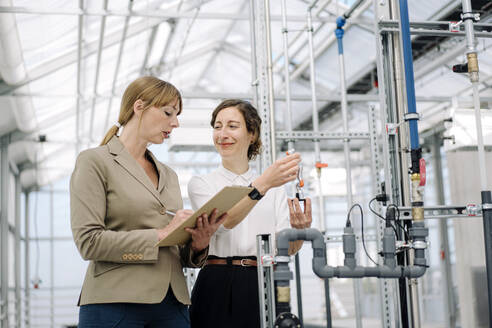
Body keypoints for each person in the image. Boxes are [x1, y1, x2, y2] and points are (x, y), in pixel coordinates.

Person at [70, 76, 226, 328]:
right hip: (114, 302)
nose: (175, 123)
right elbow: (89, 242)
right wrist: (160, 234)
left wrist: (198, 244)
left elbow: (175, 250)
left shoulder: (169, 174)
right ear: (139, 106)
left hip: (172, 305)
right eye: (168, 113)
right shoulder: (94, 161)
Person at [187, 99, 313, 328]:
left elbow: (287, 249)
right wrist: (262, 184)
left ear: (251, 134)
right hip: (215, 280)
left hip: (262, 280)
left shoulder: (274, 188)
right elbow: (224, 225)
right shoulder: (202, 184)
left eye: (232, 126)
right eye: (217, 126)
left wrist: (300, 232)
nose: (222, 134)